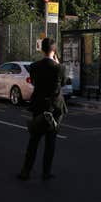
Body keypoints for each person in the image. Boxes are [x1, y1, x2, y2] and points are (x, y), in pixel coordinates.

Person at [18, 38, 67, 181]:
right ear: (54, 50)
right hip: (55, 108)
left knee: (34, 140)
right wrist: (58, 64)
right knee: (50, 142)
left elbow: (33, 82)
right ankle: (46, 172)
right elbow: (62, 84)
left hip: (38, 106)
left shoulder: (34, 66)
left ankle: (26, 171)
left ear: (42, 50)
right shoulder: (60, 68)